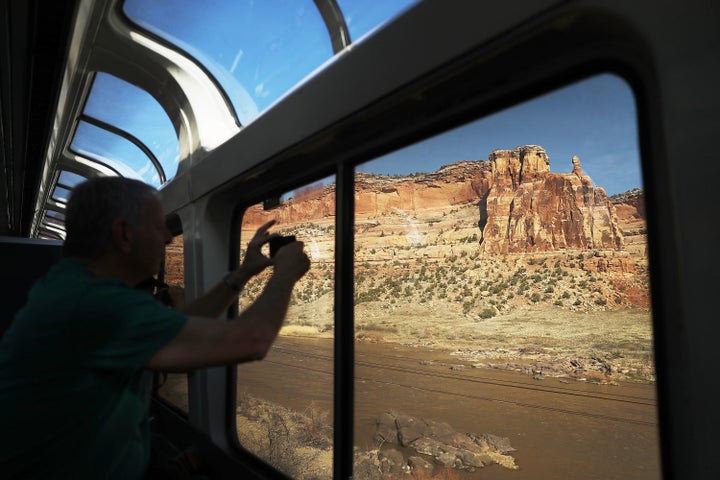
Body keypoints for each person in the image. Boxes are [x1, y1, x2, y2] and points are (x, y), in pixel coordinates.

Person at [0, 177, 310, 479]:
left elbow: (187, 328)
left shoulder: (74, 286)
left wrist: (242, 273)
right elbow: (253, 340)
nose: (168, 238)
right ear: (124, 234)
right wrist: (284, 274)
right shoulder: (96, 305)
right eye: (158, 225)